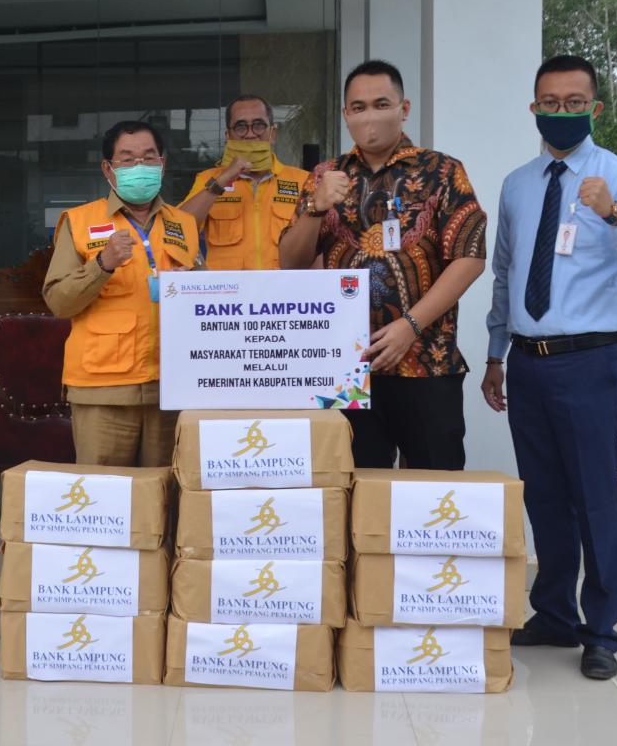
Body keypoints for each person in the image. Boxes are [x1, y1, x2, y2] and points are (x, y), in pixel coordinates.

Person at [483, 54, 617, 681]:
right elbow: (506, 273)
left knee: (594, 499)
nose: (561, 112)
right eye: (550, 102)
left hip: (590, 361)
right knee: (545, 495)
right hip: (528, 362)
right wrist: (495, 353)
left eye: (574, 102)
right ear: (533, 107)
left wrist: (613, 215)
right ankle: (555, 613)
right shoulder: (517, 184)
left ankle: (601, 631)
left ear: (595, 108)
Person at [279, 59, 487, 469]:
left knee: (434, 487)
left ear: (403, 109)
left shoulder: (442, 170)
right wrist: (316, 208)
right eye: (358, 107)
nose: (369, 116)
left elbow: (470, 257)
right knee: (353, 485)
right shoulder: (325, 175)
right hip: (345, 367)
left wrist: (410, 326)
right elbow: (292, 264)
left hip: (427, 362)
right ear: (345, 114)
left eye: (381, 104)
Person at [43, 120, 202, 467]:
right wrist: (102, 264)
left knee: (164, 492)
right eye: (127, 159)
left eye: (148, 157)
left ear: (162, 164)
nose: (139, 166)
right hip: (103, 389)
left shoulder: (184, 224)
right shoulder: (80, 222)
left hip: (171, 386)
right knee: (106, 494)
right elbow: (58, 301)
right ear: (108, 169)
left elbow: (208, 303)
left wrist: (192, 287)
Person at [180, 95, 310, 269]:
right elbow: (178, 230)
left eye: (258, 125)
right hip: (228, 287)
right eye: (241, 127)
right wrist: (222, 180)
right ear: (228, 136)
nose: (250, 134)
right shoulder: (209, 179)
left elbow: (317, 245)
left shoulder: (303, 181)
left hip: (283, 286)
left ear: (273, 133)